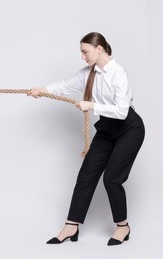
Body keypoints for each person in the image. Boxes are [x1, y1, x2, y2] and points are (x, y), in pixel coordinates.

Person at [28, 32, 145, 246]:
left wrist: (91, 106)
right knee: (86, 175)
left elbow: (121, 111)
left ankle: (123, 226)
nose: (83, 56)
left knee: (112, 178)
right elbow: (64, 85)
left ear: (99, 48)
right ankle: (71, 225)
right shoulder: (88, 74)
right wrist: (42, 90)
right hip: (107, 131)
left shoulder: (119, 73)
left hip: (129, 128)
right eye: (81, 52)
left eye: (85, 51)